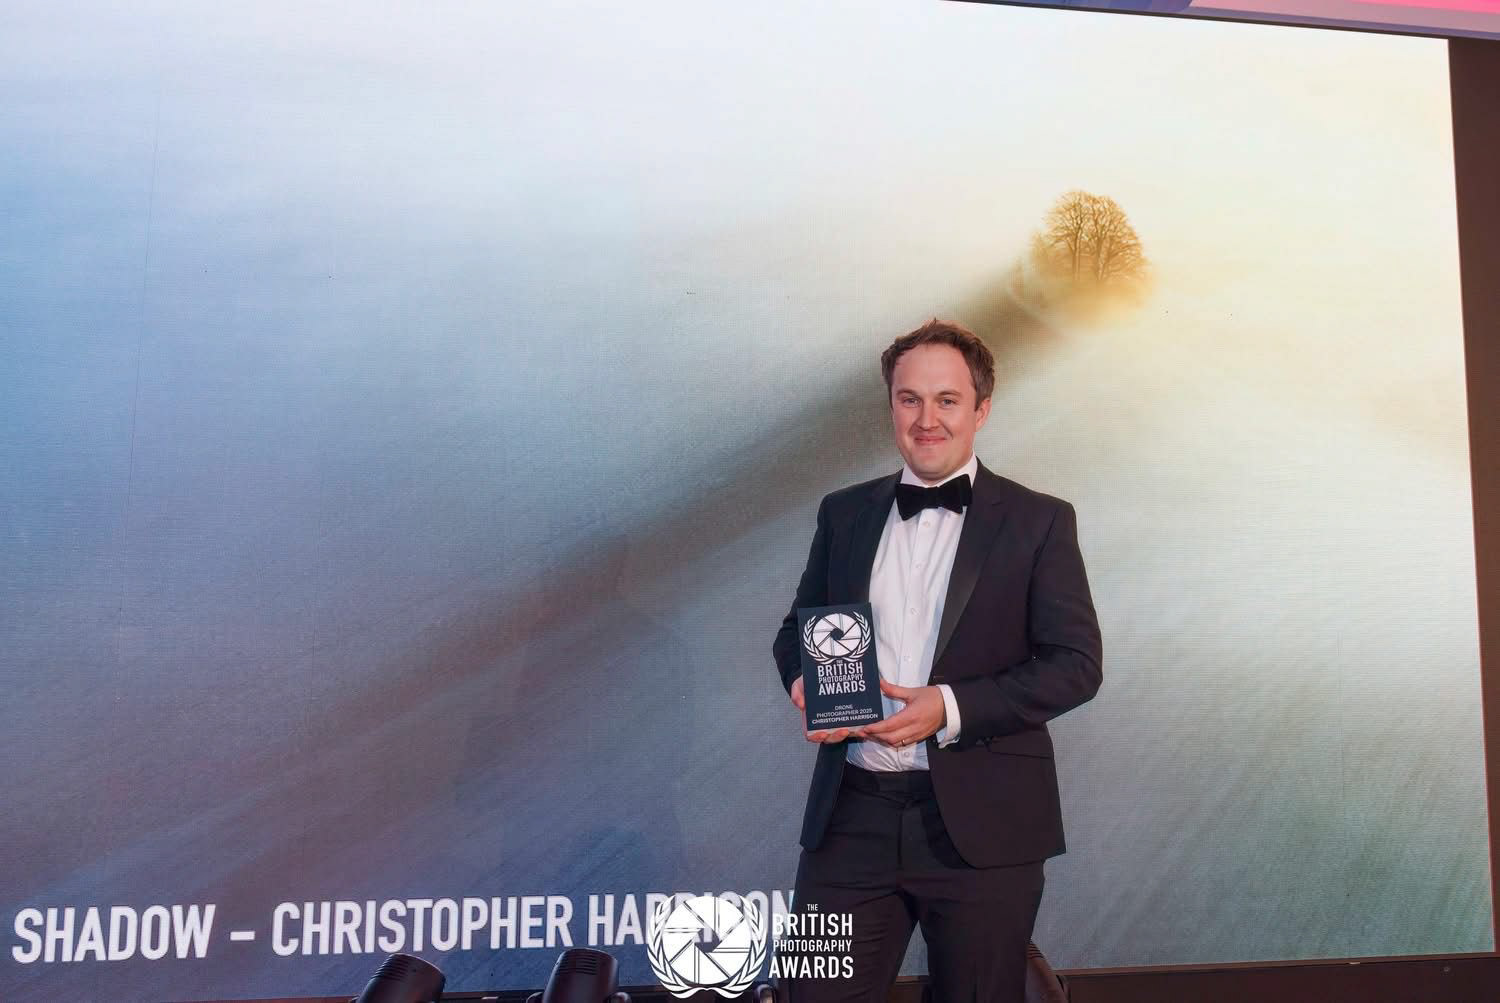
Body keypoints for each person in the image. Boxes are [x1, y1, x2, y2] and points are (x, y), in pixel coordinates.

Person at [771, 319, 1102, 1002]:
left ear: (980, 409)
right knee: (809, 991)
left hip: (984, 826)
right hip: (850, 819)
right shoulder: (844, 513)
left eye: (946, 400)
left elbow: (1075, 662)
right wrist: (807, 679)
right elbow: (794, 632)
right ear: (891, 405)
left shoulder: (1039, 520)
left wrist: (948, 707)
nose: (927, 419)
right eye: (909, 399)